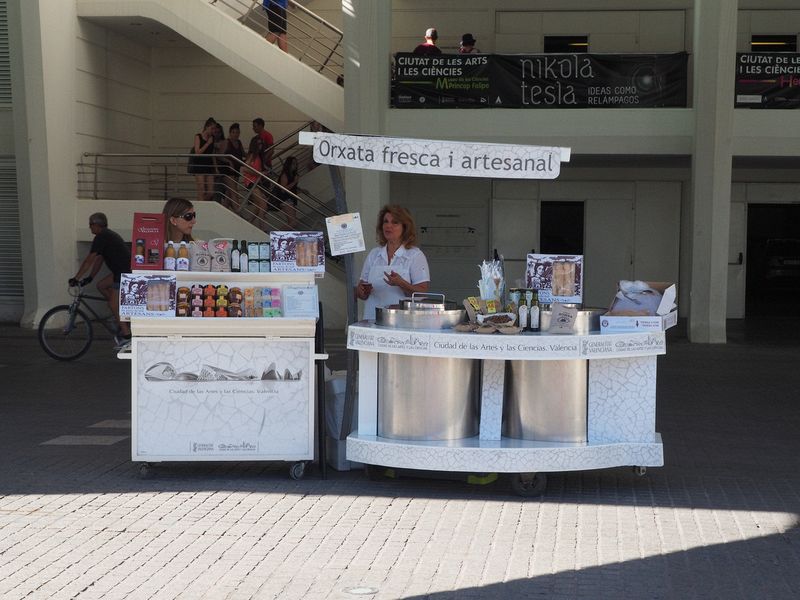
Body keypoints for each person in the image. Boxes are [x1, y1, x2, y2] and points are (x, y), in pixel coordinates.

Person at [356, 205, 430, 320]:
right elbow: (362, 294)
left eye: (395, 222)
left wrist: (401, 284)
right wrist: (361, 291)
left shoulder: (415, 255)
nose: (388, 226)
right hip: (372, 319)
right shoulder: (374, 254)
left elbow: (422, 293)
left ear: (405, 227)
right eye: (385, 222)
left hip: (402, 322)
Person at [69, 212, 131, 342]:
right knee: (101, 285)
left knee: (113, 305)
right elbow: (99, 260)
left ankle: (126, 336)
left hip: (123, 272)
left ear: (97, 225)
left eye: (90, 224)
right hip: (121, 271)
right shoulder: (107, 235)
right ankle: (122, 314)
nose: (90, 227)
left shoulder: (102, 236)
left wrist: (76, 278)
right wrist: (90, 277)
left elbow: (89, 260)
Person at [188, 118, 217, 202]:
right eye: (212, 128)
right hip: (199, 165)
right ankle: (200, 207)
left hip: (209, 165)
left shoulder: (212, 138)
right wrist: (208, 143)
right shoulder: (198, 136)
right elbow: (197, 152)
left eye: (214, 128)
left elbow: (213, 154)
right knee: (202, 190)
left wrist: (216, 168)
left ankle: (201, 204)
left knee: (211, 192)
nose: (213, 130)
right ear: (206, 127)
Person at [241, 136, 269, 223]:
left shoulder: (258, 157)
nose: (260, 145)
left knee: (258, 206)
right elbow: (244, 168)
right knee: (263, 204)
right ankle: (262, 226)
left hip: (256, 182)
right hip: (251, 182)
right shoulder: (252, 155)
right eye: (259, 143)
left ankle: (250, 222)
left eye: (261, 143)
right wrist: (259, 173)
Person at [221, 122, 245, 210]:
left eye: (237, 132)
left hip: (236, 169)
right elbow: (220, 155)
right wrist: (229, 162)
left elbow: (243, 154)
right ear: (230, 133)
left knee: (229, 194)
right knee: (234, 191)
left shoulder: (239, 142)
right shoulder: (226, 142)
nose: (236, 134)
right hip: (227, 170)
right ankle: (238, 212)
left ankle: (223, 211)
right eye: (234, 132)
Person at [275, 156, 300, 229]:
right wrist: (295, 181)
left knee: (292, 222)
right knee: (293, 222)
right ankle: (277, 235)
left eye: (296, 164)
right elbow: (283, 189)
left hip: (290, 199)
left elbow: (292, 189)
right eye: (293, 164)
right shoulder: (285, 175)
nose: (295, 165)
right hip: (286, 200)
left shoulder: (293, 175)